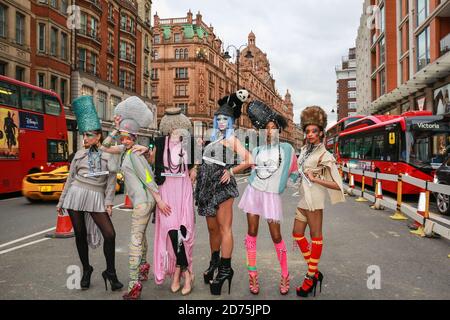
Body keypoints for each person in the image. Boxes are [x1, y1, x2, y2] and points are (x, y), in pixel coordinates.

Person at [101, 96, 171, 300]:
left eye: (128, 138)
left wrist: (158, 200)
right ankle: (143, 266)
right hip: (144, 202)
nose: (124, 141)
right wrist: (115, 128)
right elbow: (105, 146)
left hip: (143, 202)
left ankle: (134, 284)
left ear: (134, 137)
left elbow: (148, 177)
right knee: (141, 236)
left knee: (134, 239)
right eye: (122, 138)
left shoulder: (134, 154)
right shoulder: (125, 150)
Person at [56, 96, 123, 292]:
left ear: (98, 137)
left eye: (88, 135)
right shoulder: (79, 154)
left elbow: (111, 181)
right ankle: (86, 269)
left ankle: (110, 272)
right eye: (83, 135)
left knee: (110, 234)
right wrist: (61, 201)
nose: (84, 139)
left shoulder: (108, 153)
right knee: (79, 235)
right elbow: (70, 179)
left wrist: (109, 202)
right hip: (75, 196)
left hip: (95, 197)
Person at [195, 90, 253, 295]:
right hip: (206, 186)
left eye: (225, 119)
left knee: (225, 228)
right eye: (218, 118)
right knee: (212, 229)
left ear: (230, 122)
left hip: (222, 186)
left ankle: (225, 270)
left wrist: (231, 170)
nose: (221, 121)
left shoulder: (232, 139)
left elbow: (249, 159)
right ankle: (214, 263)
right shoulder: (212, 138)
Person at [238, 100, 298, 295]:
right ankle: (252, 275)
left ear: (279, 131)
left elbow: (294, 172)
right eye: (267, 129)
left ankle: (285, 274)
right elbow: (254, 171)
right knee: (252, 232)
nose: (271, 132)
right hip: (254, 192)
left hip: (271, 196)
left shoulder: (287, 150)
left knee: (276, 235)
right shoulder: (257, 150)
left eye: (274, 128)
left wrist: (307, 177)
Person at [135, 108, 197, 295]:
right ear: (167, 128)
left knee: (183, 232)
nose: (175, 130)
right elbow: (153, 163)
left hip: (184, 190)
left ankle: (178, 272)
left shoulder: (189, 143)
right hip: (166, 191)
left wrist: (196, 169)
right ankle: (187, 273)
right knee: (172, 231)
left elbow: (196, 163)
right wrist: (147, 150)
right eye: (173, 127)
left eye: (179, 127)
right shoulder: (160, 142)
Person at [293, 106, 345, 297]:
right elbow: (300, 169)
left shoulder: (325, 155)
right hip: (302, 199)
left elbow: (338, 185)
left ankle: (310, 277)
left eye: (314, 131)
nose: (310, 134)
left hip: (315, 201)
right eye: (307, 131)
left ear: (321, 132)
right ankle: (314, 271)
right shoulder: (305, 150)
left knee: (316, 237)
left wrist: (315, 179)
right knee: (297, 234)